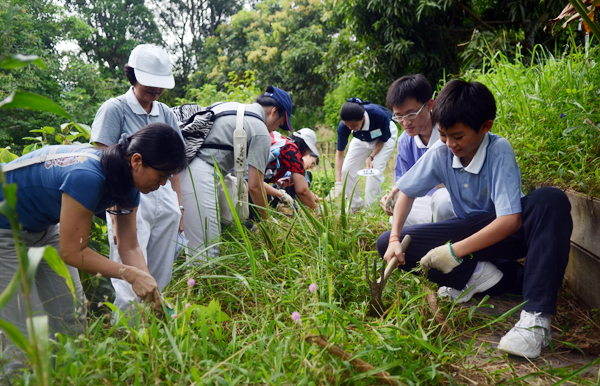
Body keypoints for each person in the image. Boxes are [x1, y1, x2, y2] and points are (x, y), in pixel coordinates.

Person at [377, 80, 572, 359]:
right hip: (474, 234)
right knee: (386, 243)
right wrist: (396, 237)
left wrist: (454, 251)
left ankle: (535, 320)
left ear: (485, 127)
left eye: (458, 136)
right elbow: (406, 192)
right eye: (443, 135)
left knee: (550, 199)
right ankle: (486, 277)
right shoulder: (442, 151)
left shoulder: (498, 150)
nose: (450, 144)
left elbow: (510, 221)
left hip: (510, 232)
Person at [0, 125, 186, 378]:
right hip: (5, 231)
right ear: (137, 161)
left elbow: (129, 245)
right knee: (21, 331)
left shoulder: (127, 183)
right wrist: (130, 275)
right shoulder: (87, 175)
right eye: (162, 175)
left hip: (45, 228)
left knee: (70, 318)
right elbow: (72, 252)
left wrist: (150, 288)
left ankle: (64, 379)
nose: (164, 183)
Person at [90, 44, 186, 314]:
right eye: (150, 84)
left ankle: (155, 332)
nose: (155, 91)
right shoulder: (115, 109)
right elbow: (102, 160)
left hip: (163, 196)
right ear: (132, 76)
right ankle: (129, 339)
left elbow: (175, 165)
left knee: (160, 271)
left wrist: (178, 207)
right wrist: (113, 211)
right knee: (130, 274)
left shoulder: (165, 112)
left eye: (160, 85)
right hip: (128, 199)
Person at [178, 86, 293, 260]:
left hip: (183, 167)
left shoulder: (229, 106)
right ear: (273, 111)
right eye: (278, 124)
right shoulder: (260, 129)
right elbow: (255, 186)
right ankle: (194, 285)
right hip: (201, 172)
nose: (274, 129)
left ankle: (186, 283)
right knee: (206, 251)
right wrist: (267, 221)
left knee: (195, 243)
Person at [379, 74, 454, 226]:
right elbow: (404, 184)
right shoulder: (405, 141)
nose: (405, 122)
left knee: (443, 202)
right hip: (422, 200)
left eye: (411, 114)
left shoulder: (450, 133)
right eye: (399, 116)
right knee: (395, 217)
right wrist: (392, 197)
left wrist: (420, 182)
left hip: (452, 197)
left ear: (429, 105)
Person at [328, 98, 398, 212]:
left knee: (373, 170)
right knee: (347, 170)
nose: (350, 128)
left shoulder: (378, 115)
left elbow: (383, 139)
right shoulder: (345, 126)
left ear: (363, 118)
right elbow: (340, 154)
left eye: (353, 125)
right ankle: (355, 205)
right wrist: (338, 182)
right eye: (347, 126)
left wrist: (371, 157)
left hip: (384, 137)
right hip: (362, 138)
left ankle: (372, 209)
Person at [255, 128, 321, 214]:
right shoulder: (294, 154)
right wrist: (317, 209)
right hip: (249, 184)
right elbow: (302, 191)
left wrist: (276, 181)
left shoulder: (284, 143)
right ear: (306, 147)